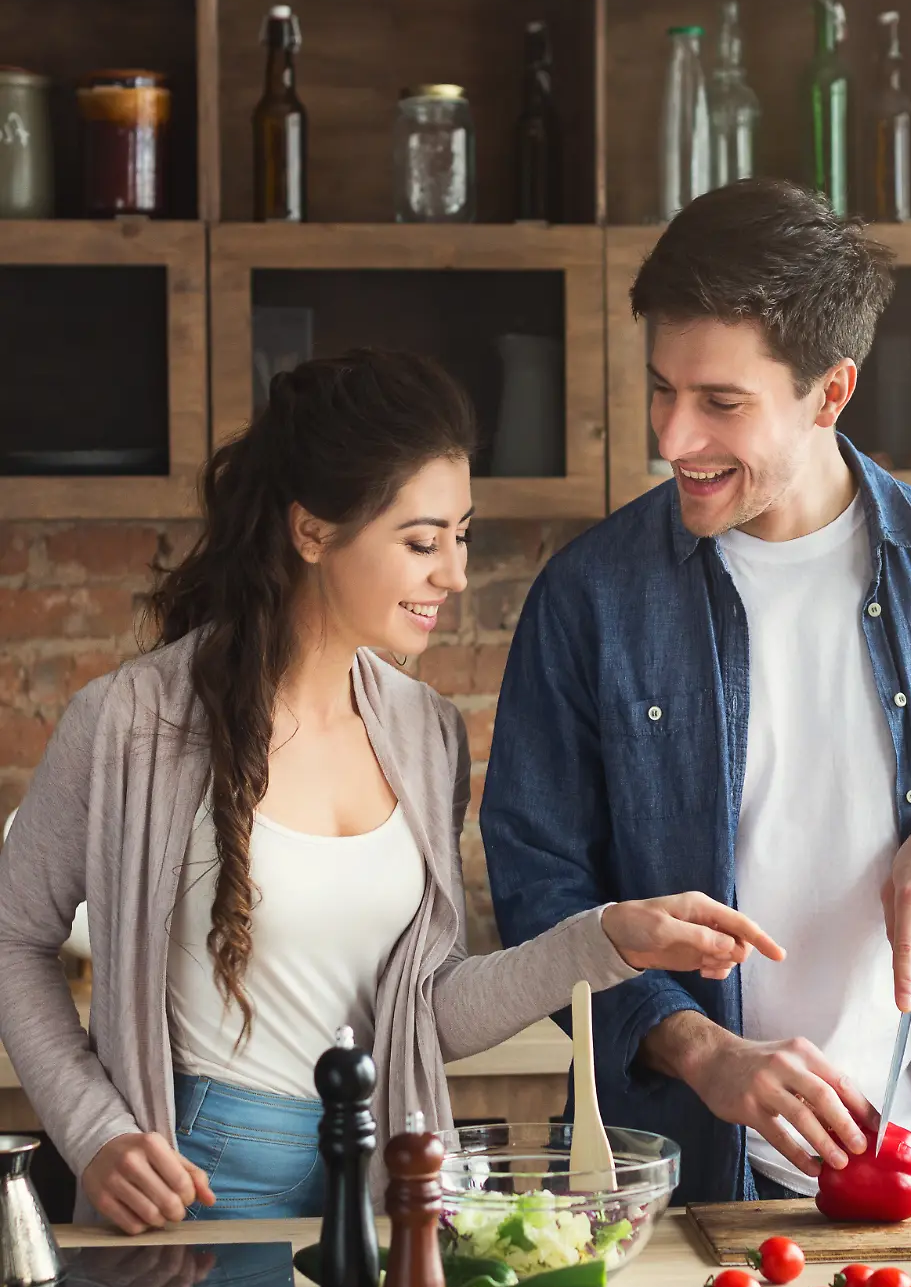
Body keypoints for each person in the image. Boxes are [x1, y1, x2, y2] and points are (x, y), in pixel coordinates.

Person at [0, 348, 783, 1236]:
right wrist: (96, 1132)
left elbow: (424, 1014)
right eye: (421, 542)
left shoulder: (425, 733)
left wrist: (604, 941)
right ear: (312, 532)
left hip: (388, 1179)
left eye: (461, 536)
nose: (454, 574)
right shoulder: (132, 723)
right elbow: (14, 938)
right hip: (200, 1180)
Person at [481, 179, 911, 1206]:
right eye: (662, 389)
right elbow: (538, 890)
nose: (672, 438)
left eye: (721, 403)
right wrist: (699, 1049)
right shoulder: (589, 598)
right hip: (686, 1182)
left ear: (830, 393)